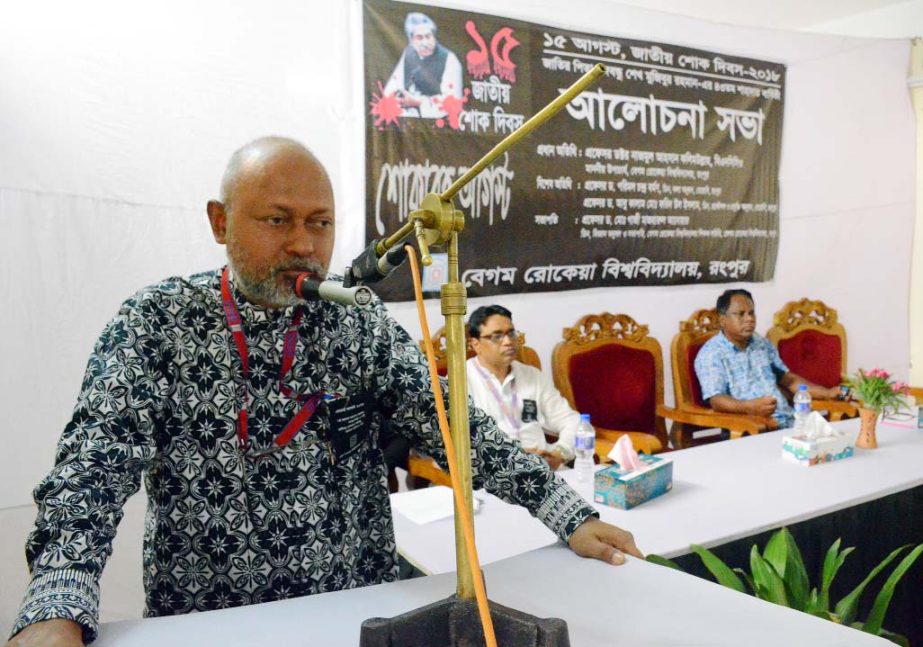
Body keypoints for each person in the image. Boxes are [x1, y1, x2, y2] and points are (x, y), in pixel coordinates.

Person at [7, 137, 640, 646]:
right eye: (277, 220)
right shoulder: (156, 324)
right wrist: (57, 601)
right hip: (213, 621)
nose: (304, 245)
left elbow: (454, 428)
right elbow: (91, 471)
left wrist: (567, 514)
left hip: (358, 610)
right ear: (220, 222)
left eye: (321, 222)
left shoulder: (357, 320)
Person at [694, 289, 841, 428]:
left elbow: (788, 380)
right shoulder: (711, 354)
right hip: (750, 428)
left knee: (833, 443)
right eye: (741, 314)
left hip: (788, 421)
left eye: (752, 313)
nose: (749, 319)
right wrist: (749, 408)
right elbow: (716, 400)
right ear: (723, 320)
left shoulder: (761, 343)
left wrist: (828, 393)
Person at [466, 305, 579, 471]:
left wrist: (559, 453)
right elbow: (453, 443)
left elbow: (572, 421)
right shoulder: (460, 382)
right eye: (497, 336)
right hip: (491, 473)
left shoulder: (531, 375)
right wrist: (509, 457)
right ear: (476, 344)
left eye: (511, 333)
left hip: (543, 468)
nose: (508, 341)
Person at [382, 12, 463, 119]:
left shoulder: (450, 59)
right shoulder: (409, 53)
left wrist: (418, 102)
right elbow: (392, 87)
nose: (425, 42)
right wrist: (395, 99)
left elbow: (453, 104)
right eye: (419, 38)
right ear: (411, 41)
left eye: (428, 36)